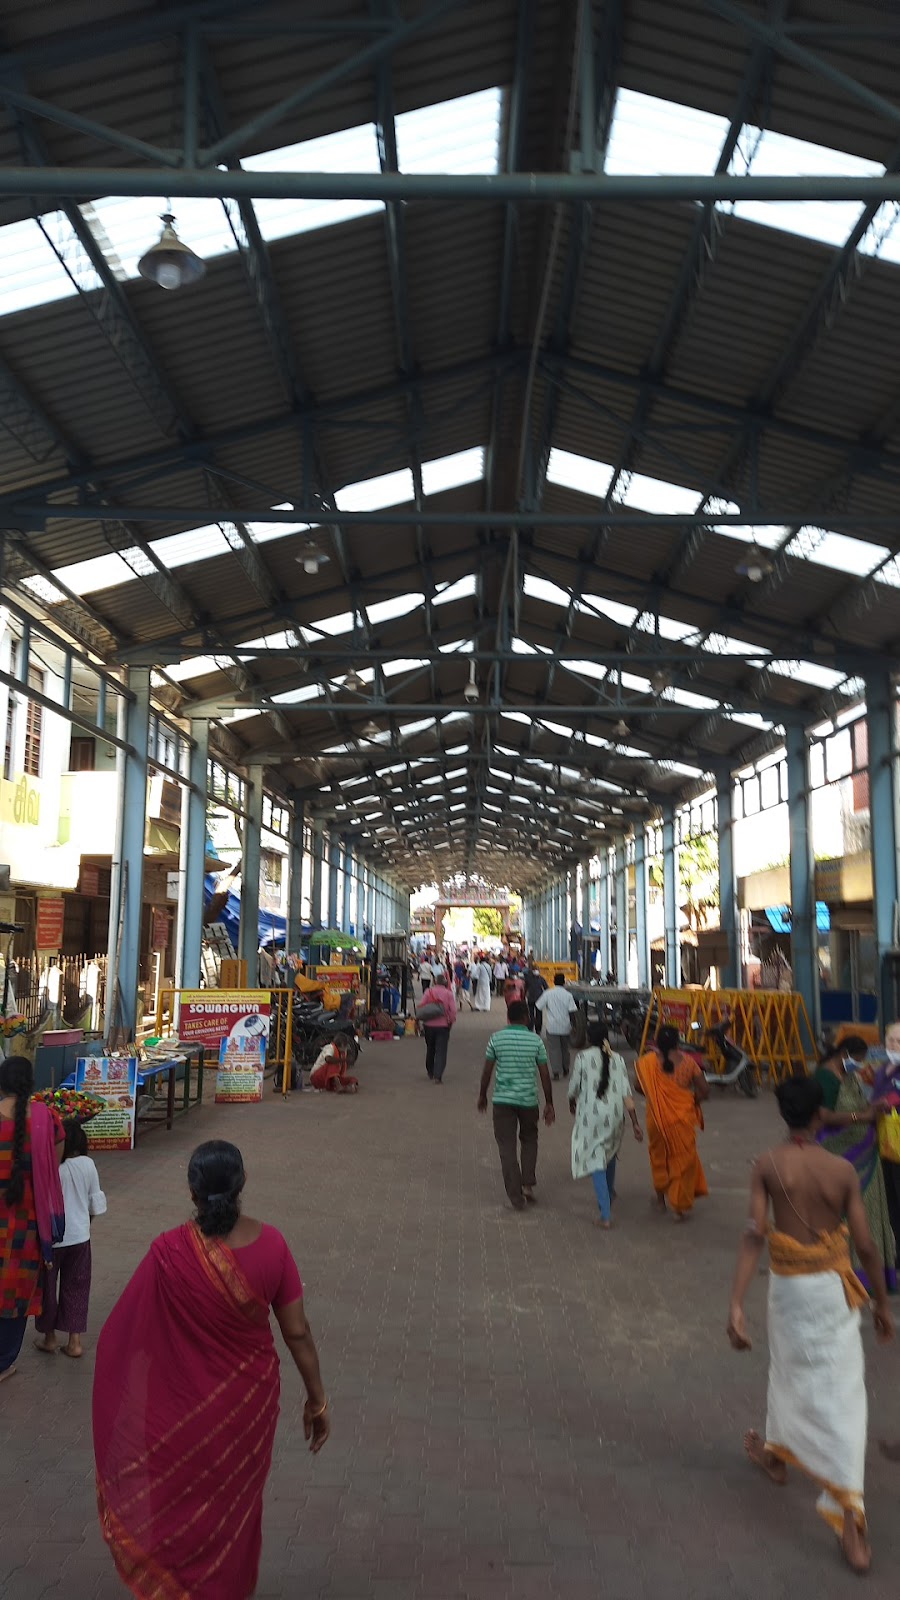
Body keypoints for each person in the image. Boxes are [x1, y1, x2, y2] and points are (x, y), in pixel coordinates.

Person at [93, 1139, 329, 1599]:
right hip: (245, 1409)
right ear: (243, 1185)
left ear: (191, 1192)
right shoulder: (273, 1245)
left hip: (179, 1415)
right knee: (233, 1511)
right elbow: (297, 1333)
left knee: (179, 1505)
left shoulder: (169, 1252)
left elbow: (127, 1334)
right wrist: (317, 1399)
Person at [726, 1075, 894, 1575]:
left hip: (790, 1292)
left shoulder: (767, 1165)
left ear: (783, 1114)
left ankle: (777, 1459)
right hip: (832, 1293)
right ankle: (851, 1520)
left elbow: (755, 1235)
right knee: (843, 1395)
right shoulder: (841, 1170)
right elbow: (866, 1247)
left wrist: (736, 1303)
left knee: (788, 1373)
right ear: (820, 1113)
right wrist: (882, 1306)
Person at [813, 1036, 896, 1292]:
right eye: (857, 1061)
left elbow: (858, 1105)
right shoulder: (825, 1078)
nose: (858, 1066)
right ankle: (847, 1270)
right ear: (844, 1054)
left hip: (866, 1154)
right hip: (843, 1156)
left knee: (868, 1214)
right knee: (850, 1215)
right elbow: (824, 1115)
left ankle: (872, 1274)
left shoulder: (847, 1075)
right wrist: (862, 1116)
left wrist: (874, 1107)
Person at [0, 1057, 65, 1384]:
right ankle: (4, 1362)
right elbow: (55, 1166)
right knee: (17, 1290)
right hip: (29, 1226)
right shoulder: (47, 1119)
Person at [34, 1118, 107, 1358]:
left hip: (51, 1241)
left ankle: (50, 1337)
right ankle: (75, 1342)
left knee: (46, 1289)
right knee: (77, 1287)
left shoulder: (50, 1167)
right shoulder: (88, 1164)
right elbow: (95, 1204)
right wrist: (84, 1227)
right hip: (80, 1239)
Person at [478, 1001, 555, 1209]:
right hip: (529, 1101)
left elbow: (487, 1071)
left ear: (508, 1019)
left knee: (506, 1146)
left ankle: (515, 1195)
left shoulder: (496, 1039)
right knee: (530, 1139)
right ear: (527, 1018)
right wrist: (549, 1103)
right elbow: (545, 1074)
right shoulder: (536, 1041)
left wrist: (482, 1095)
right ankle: (527, 1185)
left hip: (502, 1101)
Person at [569, 1022, 643, 1228]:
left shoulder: (582, 1058)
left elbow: (574, 1086)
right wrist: (635, 1123)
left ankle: (605, 1215)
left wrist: (571, 1100)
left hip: (591, 1118)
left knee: (595, 1160)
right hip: (615, 1116)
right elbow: (627, 1093)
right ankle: (609, 1194)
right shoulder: (618, 1059)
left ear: (589, 1039)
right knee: (609, 1155)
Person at [634, 1023, 709, 1220]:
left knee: (659, 1157)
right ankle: (679, 1207)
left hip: (656, 1119)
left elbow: (638, 1087)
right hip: (682, 1119)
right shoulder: (689, 1063)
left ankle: (660, 1202)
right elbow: (704, 1090)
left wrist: (654, 1096)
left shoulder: (648, 1061)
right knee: (682, 1159)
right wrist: (691, 1102)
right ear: (677, 1043)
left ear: (657, 1042)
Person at [867, 1019, 900, 1260]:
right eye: (891, 1040)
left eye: (899, 1041)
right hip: (886, 1143)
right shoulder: (882, 1069)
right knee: (891, 1200)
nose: (894, 1045)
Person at [418, 969, 457, 1084]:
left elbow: (422, 1005)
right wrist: (450, 1021)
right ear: (444, 983)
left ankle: (430, 1071)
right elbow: (453, 1011)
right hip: (443, 1026)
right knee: (441, 1050)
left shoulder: (428, 992)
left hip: (428, 1025)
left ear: (435, 982)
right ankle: (438, 1075)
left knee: (430, 1048)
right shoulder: (449, 994)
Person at [536, 972, 577, 1078]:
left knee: (554, 1049)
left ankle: (556, 1071)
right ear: (564, 982)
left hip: (552, 1026)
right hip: (565, 1026)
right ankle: (565, 1068)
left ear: (554, 982)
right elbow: (572, 1012)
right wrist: (574, 1026)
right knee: (565, 1048)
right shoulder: (568, 995)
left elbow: (538, 1006)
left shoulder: (548, 993)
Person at [524, 962, 548, 1034]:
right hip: (536, 999)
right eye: (535, 970)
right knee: (536, 1015)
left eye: (536, 970)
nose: (536, 971)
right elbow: (546, 988)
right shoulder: (541, 979)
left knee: (534, 1015)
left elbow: (546, 988)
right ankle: (536, 1029)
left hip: (535, 999)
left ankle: (533, 1029)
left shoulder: (529, 978)